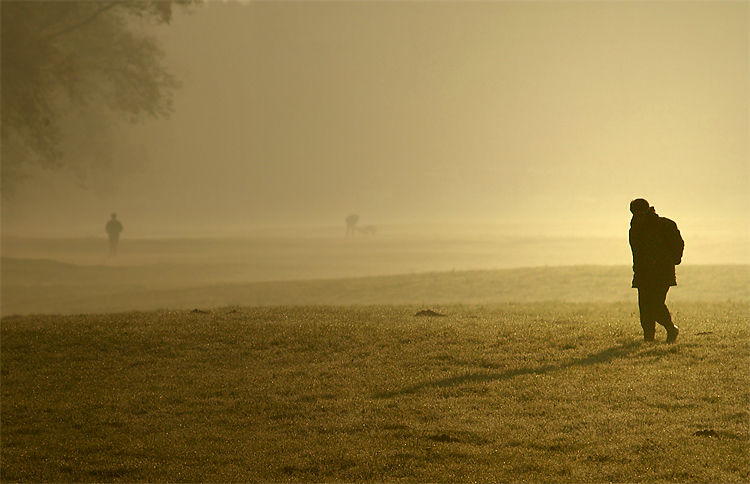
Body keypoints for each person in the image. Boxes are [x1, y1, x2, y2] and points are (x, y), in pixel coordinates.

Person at [629, 199, 684, 343]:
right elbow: (636, 252)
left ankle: (671, 329)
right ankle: (648, 338)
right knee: (644, 307)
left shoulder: (665, 225)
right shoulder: (634, 228)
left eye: (640, 214)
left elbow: (678, 244)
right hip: (643, 273)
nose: (638, 217)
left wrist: (673, 260)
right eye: (635, 214)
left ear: (647, 211)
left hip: (662, 273)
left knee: (655, 304)